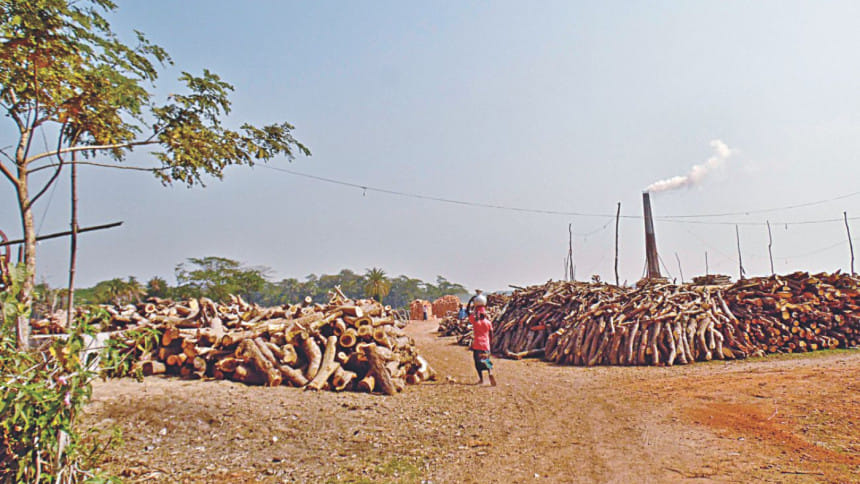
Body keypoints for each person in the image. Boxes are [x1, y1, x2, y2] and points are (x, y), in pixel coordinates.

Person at [469, 306, 496, 386]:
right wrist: (491, 342)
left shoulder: (475, 322)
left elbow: (468, 313)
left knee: (477, 363)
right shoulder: (488, 323)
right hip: (486, 345)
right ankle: (490, 372)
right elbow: (491, 333)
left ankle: (481, 379)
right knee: (486, 360)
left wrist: (472, 305)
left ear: (478, 314)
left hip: (477, 345)